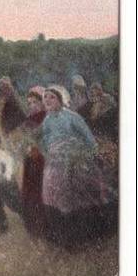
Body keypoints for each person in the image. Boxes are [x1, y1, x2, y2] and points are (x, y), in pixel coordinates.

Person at [38, 85, 117, 248]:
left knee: (80, 199)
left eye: (51, 97)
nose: (47, 100)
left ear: (61, 99)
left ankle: (86, 237)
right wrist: (50, 154)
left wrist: (84, 157)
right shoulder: (47, 120)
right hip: (55, 165)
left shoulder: (73, 117)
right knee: (53, 198)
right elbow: (45, 142)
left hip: (77, 162)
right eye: (45, 97)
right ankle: (64, 238)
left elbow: (90, 140)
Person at [20, 87, 48, 238]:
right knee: (29, 190)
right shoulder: (29, 118)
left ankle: (42, 225)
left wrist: (37, 148)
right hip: (30, 158)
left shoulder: (46, 117)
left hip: (42, 159)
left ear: (42, 102)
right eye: (29, 103)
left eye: (35, 102)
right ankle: (30, 223)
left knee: (40, 190)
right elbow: (23, 138)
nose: (32, 105)